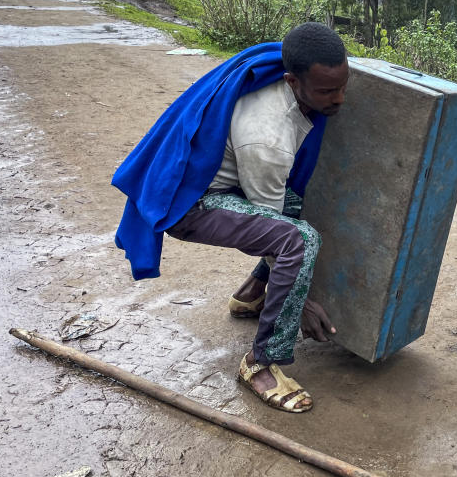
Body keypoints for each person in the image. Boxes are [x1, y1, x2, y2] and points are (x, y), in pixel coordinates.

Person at [113, 22, 349, 412]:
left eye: (343, 85)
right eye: (326, 91)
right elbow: (275, 230)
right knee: (298, 239)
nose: (339, 98)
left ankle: (252, 296)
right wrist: (302, 301)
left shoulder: (282, 65)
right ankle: (261, 363)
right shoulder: (267, 136)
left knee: (300, 207)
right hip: (193, 204)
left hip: (224, 178)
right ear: (292, 81)